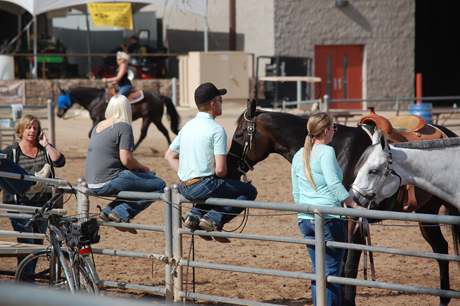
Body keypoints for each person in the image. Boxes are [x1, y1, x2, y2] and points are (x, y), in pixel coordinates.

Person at [165, 82, 258, 243]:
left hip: (185, 186)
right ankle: (213, 219)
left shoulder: (187, 127)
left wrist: (185, 174)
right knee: (249, 191)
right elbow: (221, 170)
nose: (222, 103)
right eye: (220, 99)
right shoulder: (217, 130)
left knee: (216, 188)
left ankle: (194, 215)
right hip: (203, 185)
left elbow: (169, 156)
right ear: (213, 104)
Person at [291, 112, 365, 306]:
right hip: (328, 219)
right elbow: (334, 184)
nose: (334, 131)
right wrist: (353, 205)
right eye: (334, 128)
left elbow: (297, 194)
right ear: (326, 131)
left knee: (318, 271)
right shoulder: (326, 151)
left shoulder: (299, 155)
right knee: (331, 272)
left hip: (305, 220)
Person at [85, 95, 166, 234]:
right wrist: (142, 167)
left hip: (91, 182)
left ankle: (109, 211)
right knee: (159, 185)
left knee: (142, 180)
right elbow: (126, 160)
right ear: (127, 109)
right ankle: (121, 212)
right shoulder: (123, 127)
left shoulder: (98, 126)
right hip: (108, 180)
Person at [3, 114, 66, 275]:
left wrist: (46, 144)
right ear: (21, 129)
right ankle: (27, 281)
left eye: (35, 128)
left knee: (37, 245)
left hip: (43, 204)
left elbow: (59, 161)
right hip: (20, 205)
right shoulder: (12, 151)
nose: (32, 131)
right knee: (27, 244)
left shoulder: (44, 150)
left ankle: (26, 278)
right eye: (29, 127)